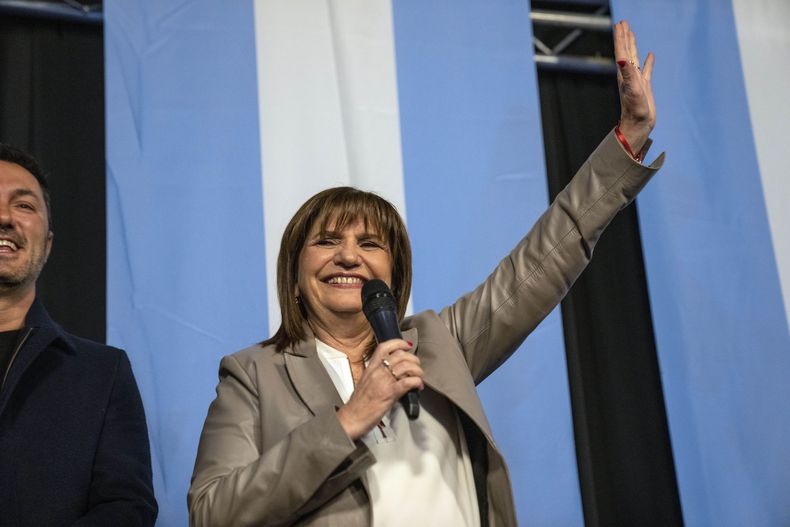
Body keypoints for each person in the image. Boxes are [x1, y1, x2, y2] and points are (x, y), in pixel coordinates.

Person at [189, 21, 659, 526]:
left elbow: (545, 257)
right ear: (295, 269)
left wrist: (628, 137)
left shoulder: (441, 344)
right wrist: (348, 420)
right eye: (327, 242)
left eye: (369, 244)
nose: (348, 257)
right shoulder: (254, 375)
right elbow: (213, 513)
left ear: (394, 271)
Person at [0, 145, 158, 525]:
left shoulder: (102, 373)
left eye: (23, 206)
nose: (5, 216)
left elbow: (127, 507)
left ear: (48, 243)